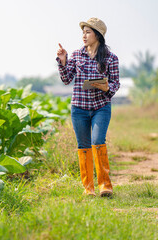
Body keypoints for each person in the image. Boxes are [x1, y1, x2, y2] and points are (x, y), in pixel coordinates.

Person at [56, 17, 120, 197]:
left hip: (101, 106)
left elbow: (116, 83)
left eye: (88, 32)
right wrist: (63, 61)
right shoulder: (76, 55)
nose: (84, 36)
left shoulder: (111, 58)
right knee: (83, 145)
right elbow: (67, 79)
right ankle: (88, 188)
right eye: (83, 32)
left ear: (98, 35)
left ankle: (105, 186)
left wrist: (107, 87)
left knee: (98, 141)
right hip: (79, 108)